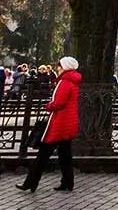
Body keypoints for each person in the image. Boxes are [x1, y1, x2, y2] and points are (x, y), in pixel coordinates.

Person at [17, 56, 80, 193]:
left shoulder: (64, 82)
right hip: (68, 122)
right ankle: (67, 182)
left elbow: (59, 102)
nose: (57, 69)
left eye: (59, 66)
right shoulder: (73, 82)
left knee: (43, 154)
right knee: (65, 155)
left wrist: (48, 106)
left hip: (59, 123)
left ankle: (30, 183)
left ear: (65, 67)